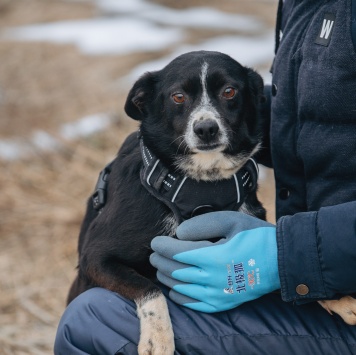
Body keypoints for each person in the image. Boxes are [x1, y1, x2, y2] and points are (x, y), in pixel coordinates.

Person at [54, 0, 356, 353]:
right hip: (329, 277)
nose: (205, 119)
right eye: (180, 97)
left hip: (331, 288)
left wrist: (286, 258)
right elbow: (314, 120)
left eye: (228, 93)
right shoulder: (306, 4)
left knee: (90, 321)